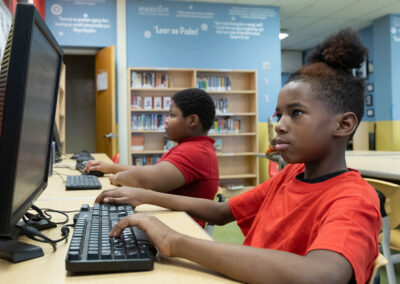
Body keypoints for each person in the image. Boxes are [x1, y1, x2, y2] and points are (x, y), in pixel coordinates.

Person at [95, 29, 381, 284]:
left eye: (296, 113)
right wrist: (143, 197)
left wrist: (175, 241)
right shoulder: (290, 176)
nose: (280, 124)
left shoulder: (354, 200)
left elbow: (322, 275)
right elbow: (220, 212)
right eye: (278, 114)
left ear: (343, 125)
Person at [85, 88, 219, 225]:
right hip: (173, 222)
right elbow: (152, 171)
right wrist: (111, 167)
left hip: (181, 228)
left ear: (192, 120)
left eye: (172, 115)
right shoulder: (193, 147)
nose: (166, 121)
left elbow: (145, 181)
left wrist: (116, 178)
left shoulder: (195, 152)